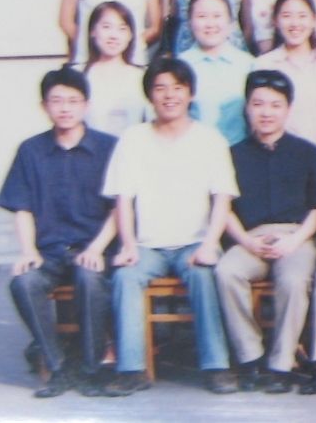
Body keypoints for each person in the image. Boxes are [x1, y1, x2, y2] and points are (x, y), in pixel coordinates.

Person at [100, 57, 239, 396]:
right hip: (147, 245)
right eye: (160, 88)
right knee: (125, 277)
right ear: (150, 95)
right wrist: (128, 245)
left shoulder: (210, 140)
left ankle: (216, 366)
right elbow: (123, 199)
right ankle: (132, 369)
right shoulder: (133, 139)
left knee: (204, 274)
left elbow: (222, 198)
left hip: (194, 242)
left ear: (190, 93)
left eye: (178, 88)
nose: (169, 95)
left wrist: (210, 245)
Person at [1, 68, 117, 398]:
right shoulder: (30, 150)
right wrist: (28, 251)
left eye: (73, 101)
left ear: (86, 105)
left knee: (90, 279)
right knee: (24, 282)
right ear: (44, 106)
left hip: (93, 249)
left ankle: (92, 368)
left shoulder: (109, 147)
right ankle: (58, 366)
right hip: (49, 252)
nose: (65, 108)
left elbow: (119, 207)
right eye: (57, 101)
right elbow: (22, 207)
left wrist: (97, 248)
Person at [218, 70, 316, 392]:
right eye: (258, 104)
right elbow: (223, 208)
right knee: (226, 272)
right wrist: (246, 241)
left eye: (275, 105)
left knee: (293, 280)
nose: (266, 112)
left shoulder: (308, 153)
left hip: (296, 236)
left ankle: (282, 363)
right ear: (247, 108)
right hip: (250, 237)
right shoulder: (232, 155)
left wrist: (294, 240)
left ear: (288, 109)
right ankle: (251, 358)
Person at [252, 0, 316, 148]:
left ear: (314, 20)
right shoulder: (263, 65)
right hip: (278, 155)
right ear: (276, 21)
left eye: (302, 16)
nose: (295, 23)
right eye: (287, 16)